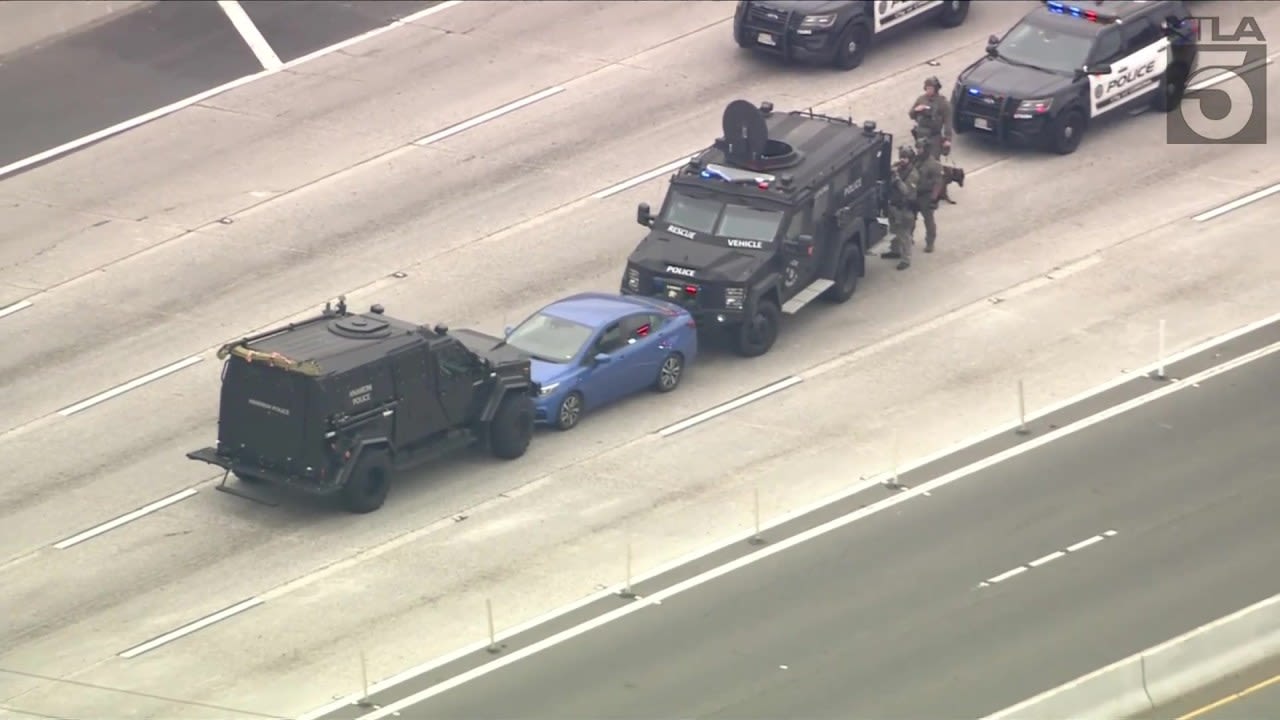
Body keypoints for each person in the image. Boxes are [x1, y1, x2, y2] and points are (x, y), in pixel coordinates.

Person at [880, 145, 919, 271]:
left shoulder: (913, 174)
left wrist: (896, 178)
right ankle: (895, 250)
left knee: (904, 234)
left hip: (904, 208)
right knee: (893, 230)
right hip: (893, 205)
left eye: (905, 158)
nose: (902, 160)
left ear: (910, 159)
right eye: (901, 157)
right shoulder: (898, 168)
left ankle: (906, 259)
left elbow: (906, 191)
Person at [909, 76, 953, 161]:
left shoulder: (943, 103)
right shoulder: (921, 99)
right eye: (927, 88)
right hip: (921, 135)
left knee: (933, 160)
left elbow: (948, 122)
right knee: (921, 159)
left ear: (936, 89)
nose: (928, 90)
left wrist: (947, 139)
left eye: (931, 88)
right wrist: (916, 110)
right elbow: (911, 115)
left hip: (934, 137)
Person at [912, 138, 944, 253]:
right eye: (917, 148)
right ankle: (909, 238)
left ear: (926, 149)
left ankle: (930, 243)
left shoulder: (933, 165)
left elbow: (938, 183)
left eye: (920, 148)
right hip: (914, 194)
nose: (918, 151)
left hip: (926, 196)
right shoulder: (915, 161)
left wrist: (933, 199)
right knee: (911, 219)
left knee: (928, 221)